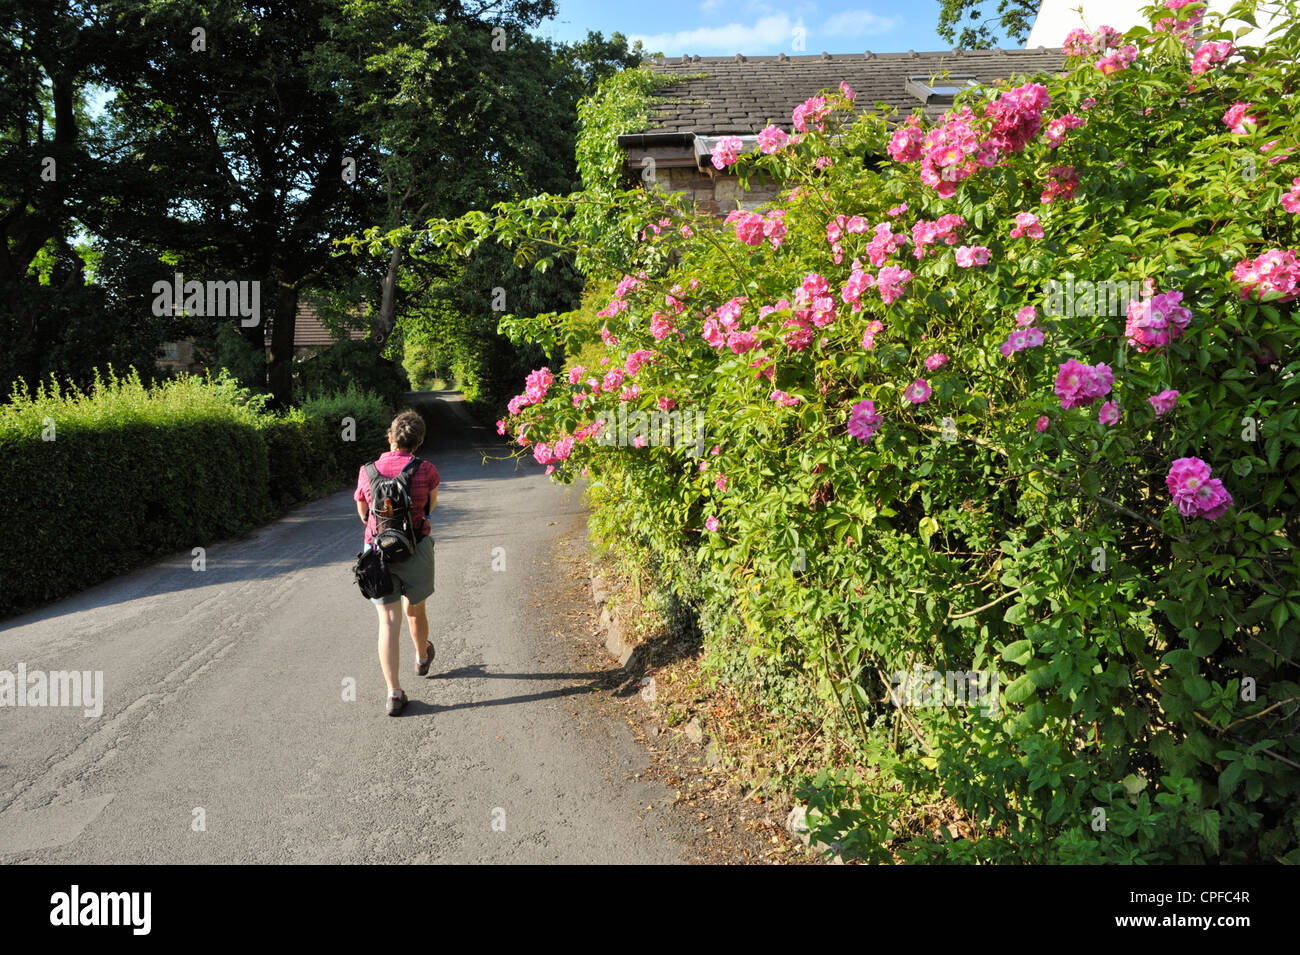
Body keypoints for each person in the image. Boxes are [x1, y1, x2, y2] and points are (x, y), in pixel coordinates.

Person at [354, 410, 440, 716]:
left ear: (390, 437)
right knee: (415, 611)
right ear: (418, 442)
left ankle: (393, 693)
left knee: (388, 623)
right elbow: (430, 508)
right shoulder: (426, 469)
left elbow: (364, 513)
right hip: (415, 549)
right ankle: (421, 657)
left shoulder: (367, 470)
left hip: (377, 555)